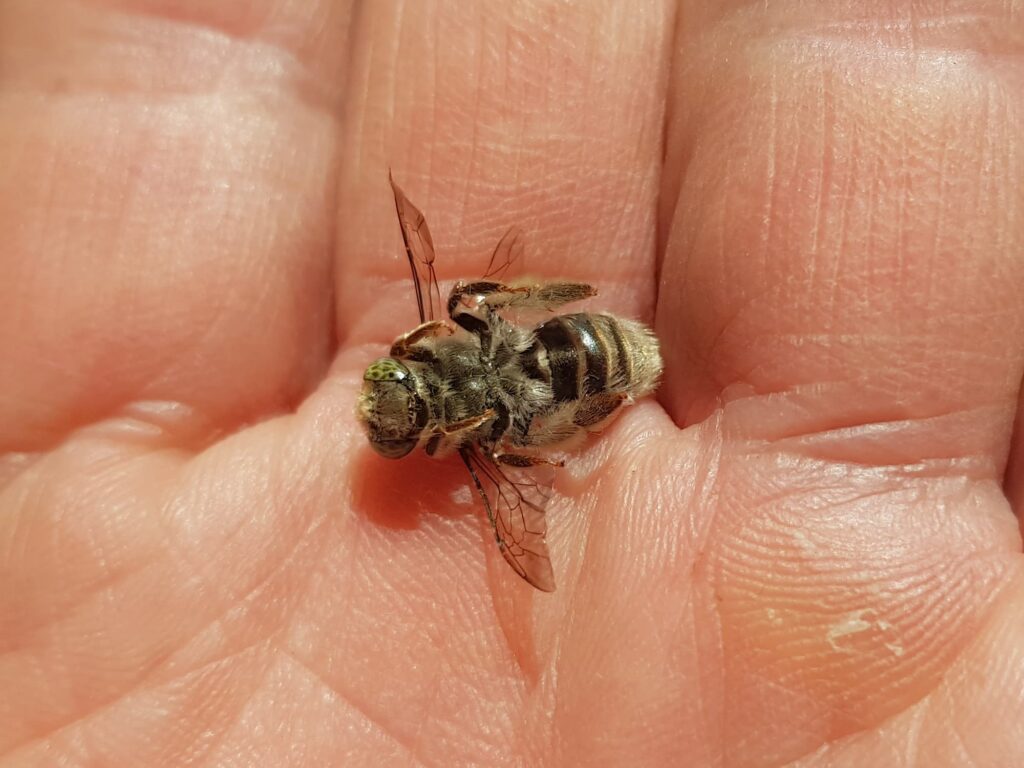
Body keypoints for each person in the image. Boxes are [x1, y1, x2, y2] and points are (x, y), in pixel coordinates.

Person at [1, 2, 1022, 766]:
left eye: (394, 401)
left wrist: (540, 421)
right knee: (506, 373)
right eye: (395, 411)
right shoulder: (449, 361)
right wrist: (534, 347)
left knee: (513, 413)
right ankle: (581, 385)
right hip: (561, 351)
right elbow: (467, 321)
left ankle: (583, 388)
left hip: (571, 361)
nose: (380, 405)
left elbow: (494, 439)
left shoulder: (472, 437)